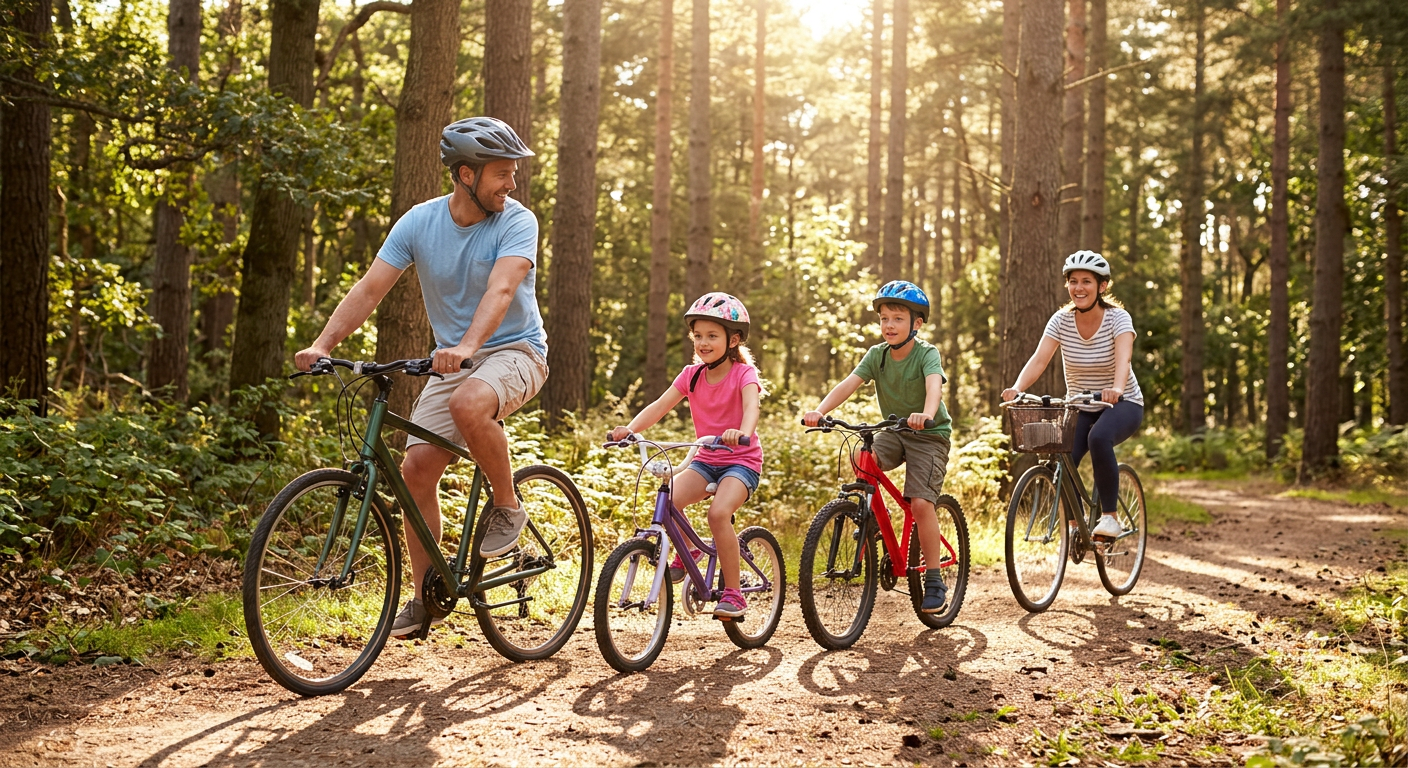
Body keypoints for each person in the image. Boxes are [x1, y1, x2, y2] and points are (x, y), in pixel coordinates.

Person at [294, 117, 548, 638]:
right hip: (456, 358)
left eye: (513, 173)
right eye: (502, 173)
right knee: (414, 472)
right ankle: (425, 596)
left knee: (469, 404)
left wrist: (468, 347)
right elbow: (370, 288)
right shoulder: (418, 223)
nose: (512, 183)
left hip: (517, 350)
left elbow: (501, 292)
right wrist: (323, 345)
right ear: (464, 174)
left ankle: (506, 505)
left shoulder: (517, 222)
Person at [608, 293, 763, 619]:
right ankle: (689, 549)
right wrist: (631, 430)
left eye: (712, 336)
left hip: (740, 460)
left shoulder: (742, 375)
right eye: (698, 336)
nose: (703, 343)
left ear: (733, 339)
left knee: (719, 513)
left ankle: (734, 593)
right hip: (706, 459)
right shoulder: (691, 375)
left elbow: (752, 407)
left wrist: (741, 432)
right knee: (669, 498)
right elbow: (659, 406)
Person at [802, 280, 953, 613]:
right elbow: (848, 385)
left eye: (898, 318)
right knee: (861, 454)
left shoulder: (927, 354)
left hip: (929, 435)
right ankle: (867, 518)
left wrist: (926, 415)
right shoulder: (876, 355)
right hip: (895, 432)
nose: (889, 325)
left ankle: (934, 578)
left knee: (921, 504)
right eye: (884, 318)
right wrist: (821, 411)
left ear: (916, 323)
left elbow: (934, 389)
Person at [1001, 250, 1145, 540]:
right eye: (1073, 281)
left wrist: (1116, 388)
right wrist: (1018, 388)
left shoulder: (1118, 318)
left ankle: (1110, 518)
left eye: (1087, 282)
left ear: (1102, 286)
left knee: (1099, 437)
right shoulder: (1061, 320)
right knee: (1061, 455)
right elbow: (1040, 359)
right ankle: (1076, 525)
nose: (1078, 287)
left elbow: (1123, 360)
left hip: (1123, 402)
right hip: (1080, 404)